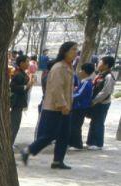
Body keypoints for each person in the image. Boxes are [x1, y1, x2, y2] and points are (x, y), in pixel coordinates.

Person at [21, 41, 78, 170]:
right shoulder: (59, 68)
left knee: (64, 135)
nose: (75, 52)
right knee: (49, 135)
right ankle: (28, 150)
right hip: (55, 108)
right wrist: (62, 105)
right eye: (73, 49)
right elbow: (56, 88)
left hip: (66, 107)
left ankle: (58, 161)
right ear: (65, 52)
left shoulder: (69, 67)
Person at [86, 56, 116, 150]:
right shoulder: (100, 74)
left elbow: (105, 92)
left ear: (106, 65)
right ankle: (91, 142)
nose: (98, 64)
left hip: (102, 103)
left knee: (98, 122)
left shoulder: (109, 76)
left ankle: (98, 144)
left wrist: (94, 101)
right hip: (96, 102)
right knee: (94, 121)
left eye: (100, 62)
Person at [69, 63, 95, 150]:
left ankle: (77, 144)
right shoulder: (84, 81)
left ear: (84, 71)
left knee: (76, 125)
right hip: (79, 106)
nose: (79, 72)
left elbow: (80, 94)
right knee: (74, 125)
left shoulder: (86, 82)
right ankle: (72, 143)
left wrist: (70, 97)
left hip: (80, 107)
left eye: (81, 70)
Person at [9, 54, 33, 146]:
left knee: (16, 123)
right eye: (27, 62)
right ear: (21, 63)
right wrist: (26, 86)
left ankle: (11, 142)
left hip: (19, 102)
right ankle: (9, 143)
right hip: (16, 103)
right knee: (14, 124)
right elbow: (13, 87)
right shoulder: (18, 74)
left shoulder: (21, 72)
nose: (28, 64)